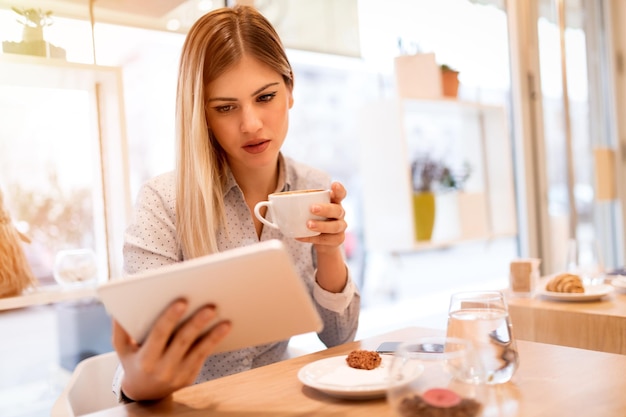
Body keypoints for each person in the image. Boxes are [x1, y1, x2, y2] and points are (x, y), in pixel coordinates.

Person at [111, 5, 360, 402]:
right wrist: (140, 380)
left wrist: (330, 254)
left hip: (274, 400)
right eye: (225, 107)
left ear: (290, 89)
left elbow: (339, 337)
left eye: (265, 97)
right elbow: (142, 360)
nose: (251, 124)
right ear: (202, 115)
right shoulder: (164, 202)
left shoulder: (312, 186)